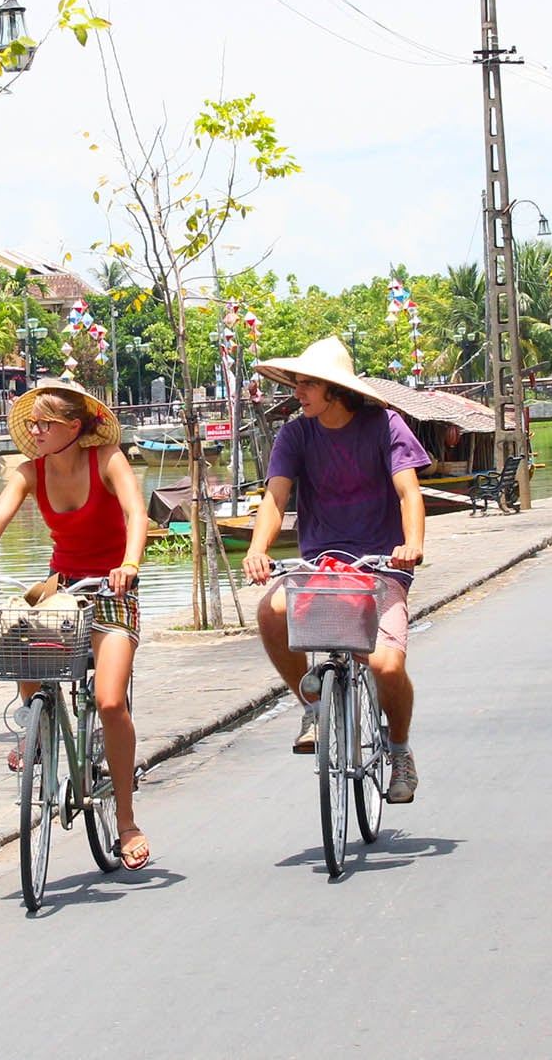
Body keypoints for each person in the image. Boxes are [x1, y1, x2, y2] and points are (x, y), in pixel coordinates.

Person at [0, 378, 152, 869]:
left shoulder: (107, 458)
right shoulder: (29, 471)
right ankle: (34, 721)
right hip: (63, 586)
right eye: (31, 423)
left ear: (74, 426)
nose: (35, 429)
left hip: (112, 588)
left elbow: (137, 514)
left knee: (110, 700)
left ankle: (127, 822)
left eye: (44, 423)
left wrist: (129, 565)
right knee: (17, 628)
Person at [242, 337, 430, 805]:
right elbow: (276, 496)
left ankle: (400, 750)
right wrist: (258, 549)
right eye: (297, 383)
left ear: (334, 389)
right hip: (321, 564)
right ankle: (311, 707)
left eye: (307, 384)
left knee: (386, 664)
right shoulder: (295, 434)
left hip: (381, 563)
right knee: (272, 611)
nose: (298, 392)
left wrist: (412, 545)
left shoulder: (385, 425)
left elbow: (409, 493)